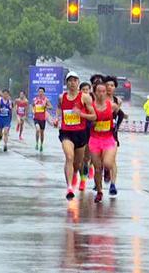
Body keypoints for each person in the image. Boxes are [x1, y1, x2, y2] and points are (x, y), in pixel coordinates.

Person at [55, 71, 96, 200]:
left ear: (78, 82)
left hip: (81, 133)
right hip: (66, 132)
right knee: (69, 157)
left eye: (75, 80)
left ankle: (74, 176)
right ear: (66, 83)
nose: (72, 83)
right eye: (70, 81)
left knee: (77, 164)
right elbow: (58, 108)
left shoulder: (85, 97)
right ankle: (69, 188)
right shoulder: (62, 97)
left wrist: (81, 115)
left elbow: (94, 116)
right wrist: (57, 118)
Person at [90, 81, 120, 202]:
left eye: (103, 91)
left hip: (108, 139)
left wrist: (115, 126)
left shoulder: (112, 106)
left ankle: (107, 171)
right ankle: (99, 191)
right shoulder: (90, 107)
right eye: (99, 91)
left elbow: (119, 114)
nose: (101, 94)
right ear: (95, 93)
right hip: (94, 139)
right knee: (97, 168)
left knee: (107, 163)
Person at [32, 87, 52, 152]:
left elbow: (51, 107)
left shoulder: (46, 100)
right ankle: (37, 143)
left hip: (42, 118)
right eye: (39, 91)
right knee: (37, 129)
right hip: (36, 118)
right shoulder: (35, 99)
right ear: (38, 92)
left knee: (42, 133)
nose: (40, 93)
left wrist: (45, 106)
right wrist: (33, 110)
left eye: (42, 92)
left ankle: (41, 144)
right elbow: (32, 106)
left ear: (43, 93)